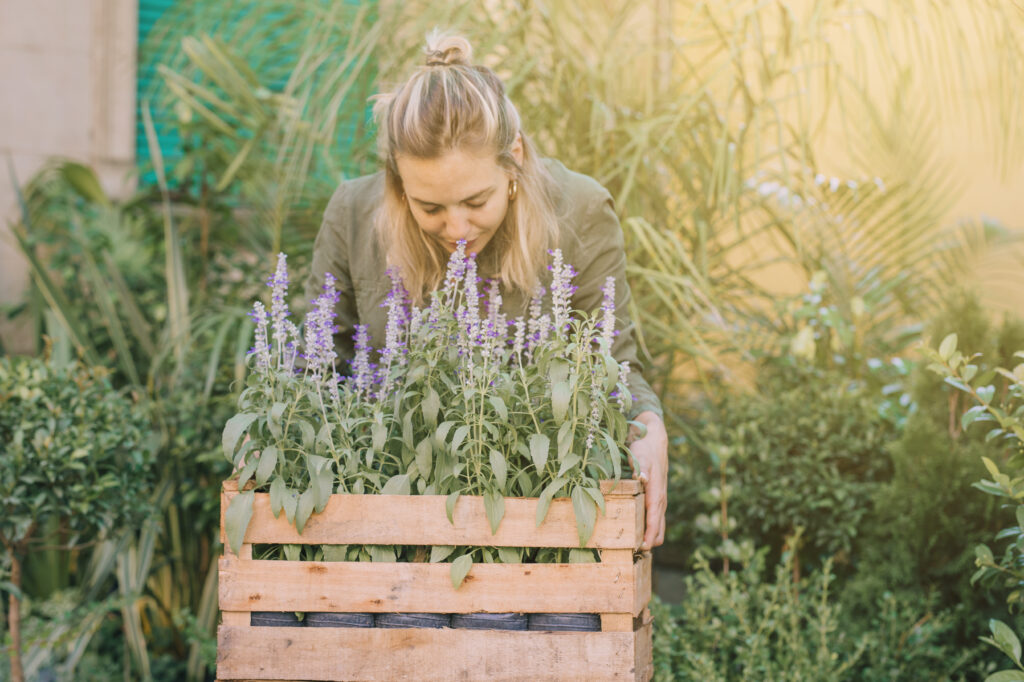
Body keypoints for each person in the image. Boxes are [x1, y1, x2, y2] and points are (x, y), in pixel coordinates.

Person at [305, 31, 667, 550]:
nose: (456, 227)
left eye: (476, 201)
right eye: (429, 207)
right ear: (397, 181)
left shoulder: (580, 211)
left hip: (535, 524)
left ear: (513, 157)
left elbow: (611, 363)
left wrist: (649, 424)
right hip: (382, 524)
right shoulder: (354, 213)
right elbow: (316, 367)